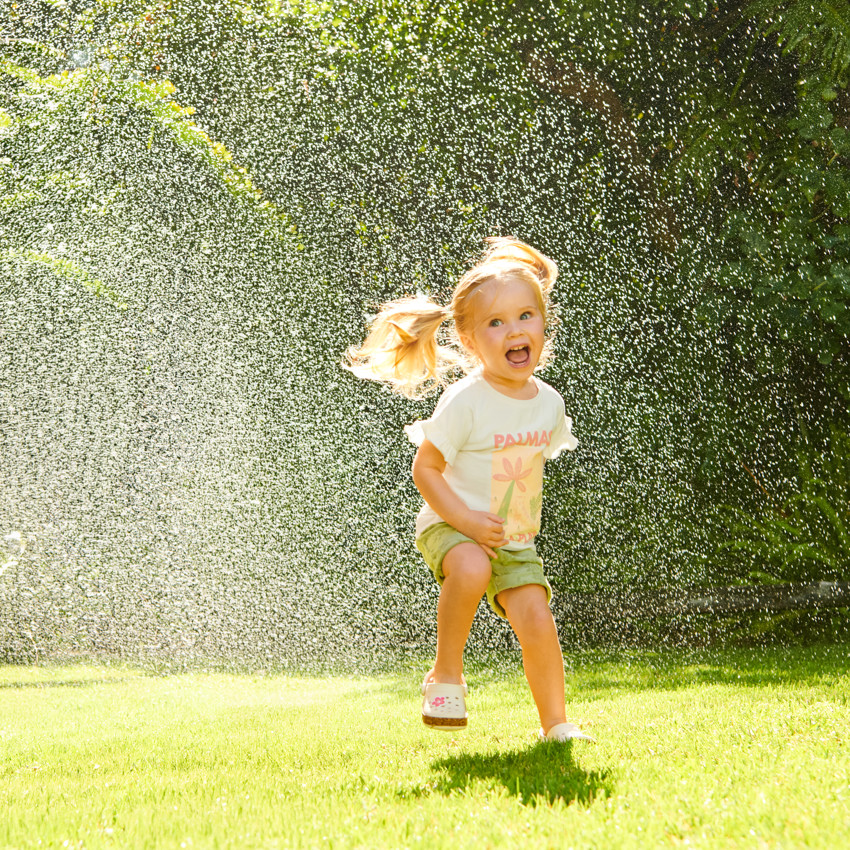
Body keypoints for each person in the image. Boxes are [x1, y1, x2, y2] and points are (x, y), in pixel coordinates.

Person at [345, 237, 593, 743]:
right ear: (470, 338)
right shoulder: (466, 401)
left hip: (511, 539)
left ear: (544, 323)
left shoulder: (547, 403)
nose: (515, 330)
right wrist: (465, 520)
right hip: (450, 523)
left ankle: (557, 726)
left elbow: (520, 467)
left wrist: (508, 524)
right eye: (496, 323)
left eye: (526, 315)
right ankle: (446, 674)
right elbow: (426, 469)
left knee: (538, 619)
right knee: (473, 566)